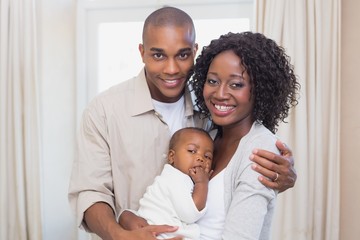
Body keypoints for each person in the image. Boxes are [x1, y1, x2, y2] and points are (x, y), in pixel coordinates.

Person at [68, 6, 297, 240]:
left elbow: (245, 159)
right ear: (142, 52)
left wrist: (284, 176)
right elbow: (90, 192)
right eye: (158, 55)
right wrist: (119, 235)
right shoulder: (105, 110)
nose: (171, 69)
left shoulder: (212, 110)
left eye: (182, 55)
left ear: (194, 51)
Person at [189, 31, 300, 239]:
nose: (220, 94)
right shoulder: (208, 136)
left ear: (260, 90)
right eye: (212, 81)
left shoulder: (261, 151)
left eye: (236, 84)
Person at [124, 127, 214, 240]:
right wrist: (202, 183)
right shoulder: (175, 178)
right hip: (159, 233)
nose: (200, 158)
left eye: (207, 156)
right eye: (192, 151)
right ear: (172, 157)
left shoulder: (177, 178)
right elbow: (190, 214)